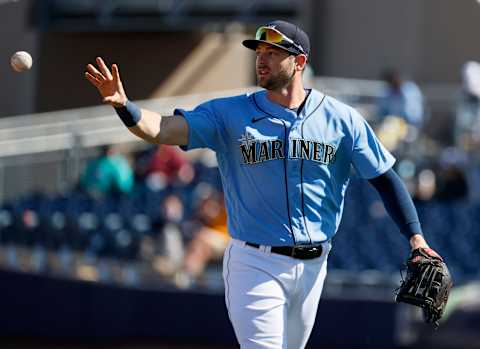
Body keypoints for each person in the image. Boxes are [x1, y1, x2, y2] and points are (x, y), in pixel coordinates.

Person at [85, 20, 443, 349]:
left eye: (273, 53)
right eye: (259, 53)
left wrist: (417, 238)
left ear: (299, 62)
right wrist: (125, 107)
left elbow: (384, 178)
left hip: (315, 264)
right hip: (255, 262)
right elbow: (162, 129)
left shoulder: (341, 119)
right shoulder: (229, 114)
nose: (262, 60)